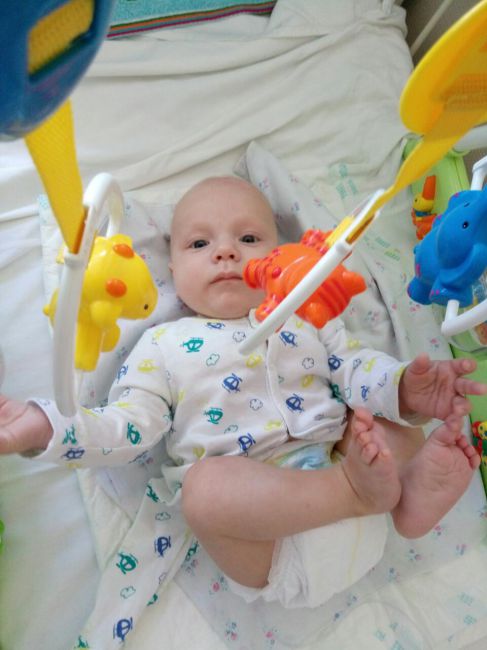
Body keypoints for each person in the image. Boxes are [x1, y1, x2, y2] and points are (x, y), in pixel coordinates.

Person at [0, 176, 486, 643]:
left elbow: (357, 368)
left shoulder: (306, 316)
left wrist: (405, 389)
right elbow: (126, 427)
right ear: (171, 271)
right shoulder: (163, 345)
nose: (227, 252)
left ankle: (409, 502)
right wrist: (46, 425)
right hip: (269, 539)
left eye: (249, 238)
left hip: (349, 468)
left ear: (279, 253)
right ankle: (354, 493)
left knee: (382, 423)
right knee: (204, 491)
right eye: (199, 244)